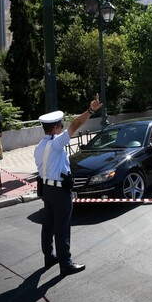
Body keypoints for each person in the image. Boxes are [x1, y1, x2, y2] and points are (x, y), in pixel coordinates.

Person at [34, 94, 102, 276]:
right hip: (59, 191)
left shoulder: (39, 146)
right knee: (62, 226)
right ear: (56, 127)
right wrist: (91, 110)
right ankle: (66, 263)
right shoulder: (56, 143)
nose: (62, 128)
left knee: (48, 224)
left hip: (46, 190)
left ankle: (49, 256)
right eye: (60, 126)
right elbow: (75, 125)